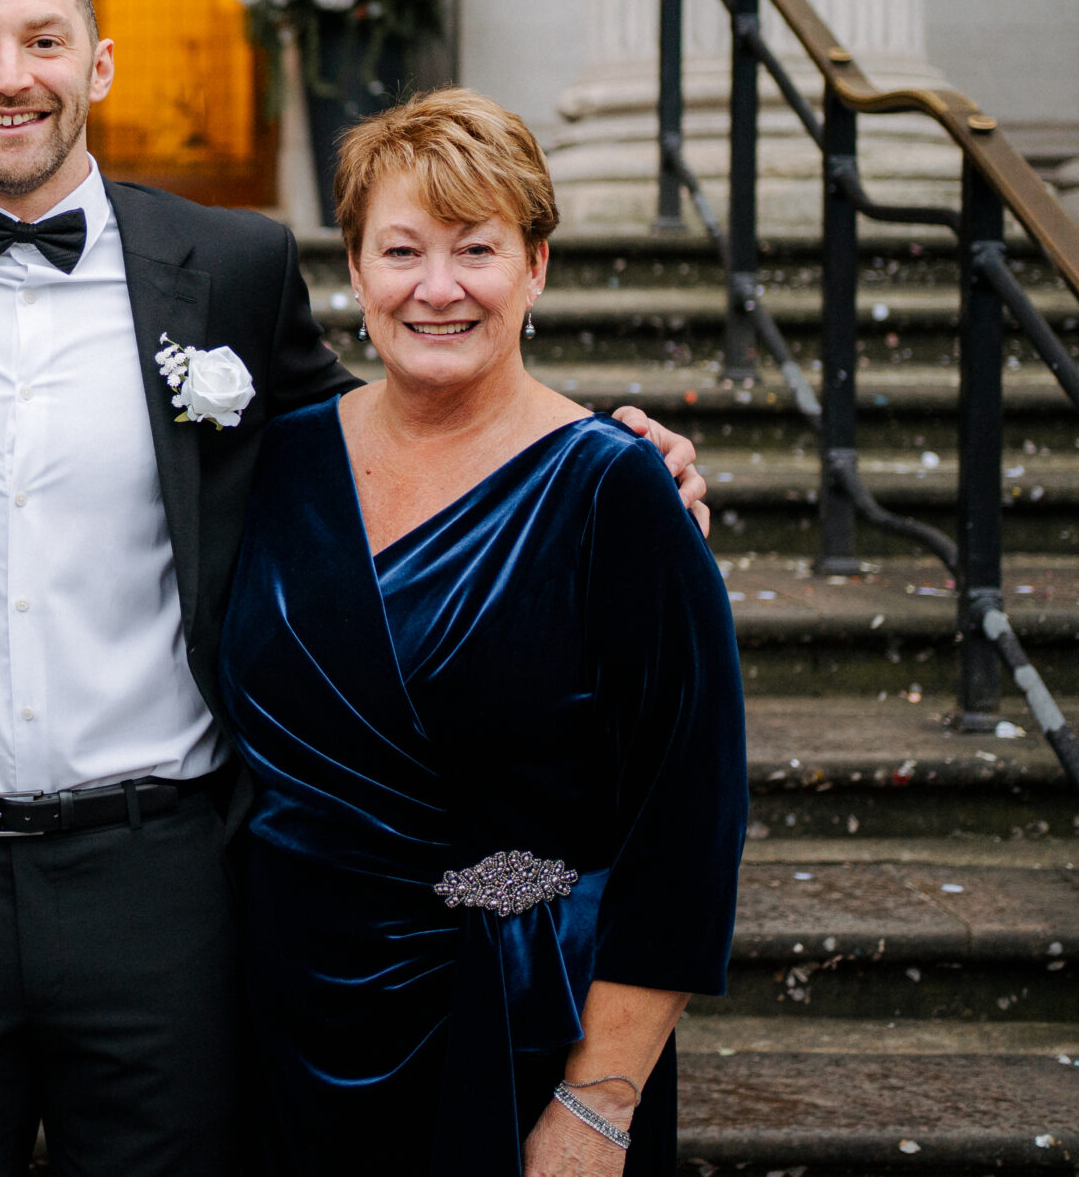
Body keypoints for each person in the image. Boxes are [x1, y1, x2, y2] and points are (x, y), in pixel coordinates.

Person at [0, 0, 709, 1176]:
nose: (9, 74)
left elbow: (399, 397)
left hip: (163, 883)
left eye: (43, 41)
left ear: (97, 66)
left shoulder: (232, 268)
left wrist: (599, 460)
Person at [218, 89, 747, 1176]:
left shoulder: (615, 490)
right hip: (277, 1029)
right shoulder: (275, 462)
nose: (438, 288)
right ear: (356, 273)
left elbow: (686, 825)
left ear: (536, 266)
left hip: (514, 1025)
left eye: (477, 248)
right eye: (402, 250)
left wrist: (597, 1106)